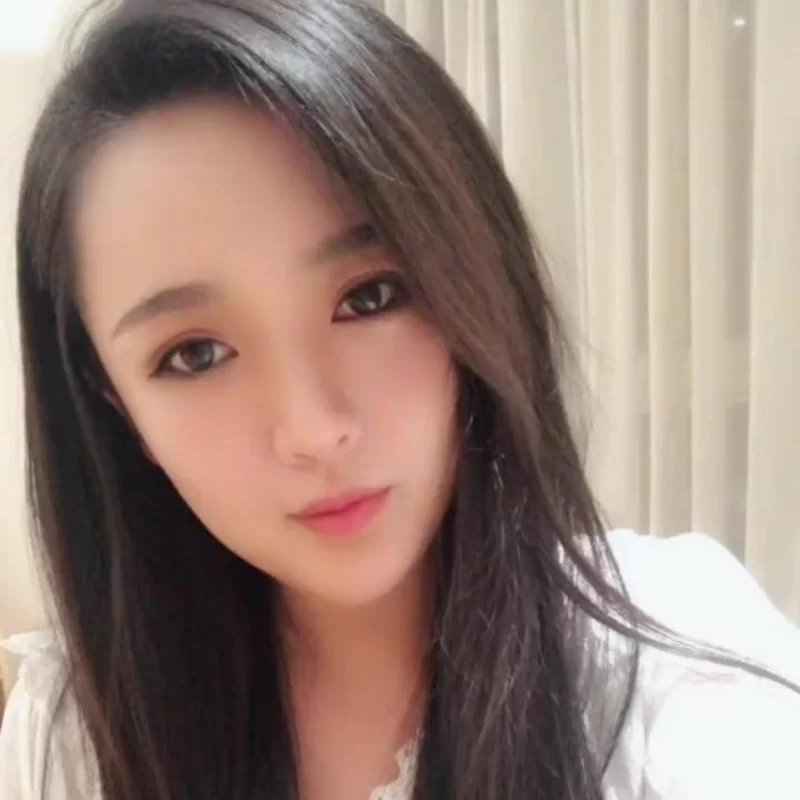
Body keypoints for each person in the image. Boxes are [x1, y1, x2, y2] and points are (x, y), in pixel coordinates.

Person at [1, 0, 799, 797]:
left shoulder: (676, 684)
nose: (313, 429)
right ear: (115, 404)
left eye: (370, 297)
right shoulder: (74, 737)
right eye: (195, 354)